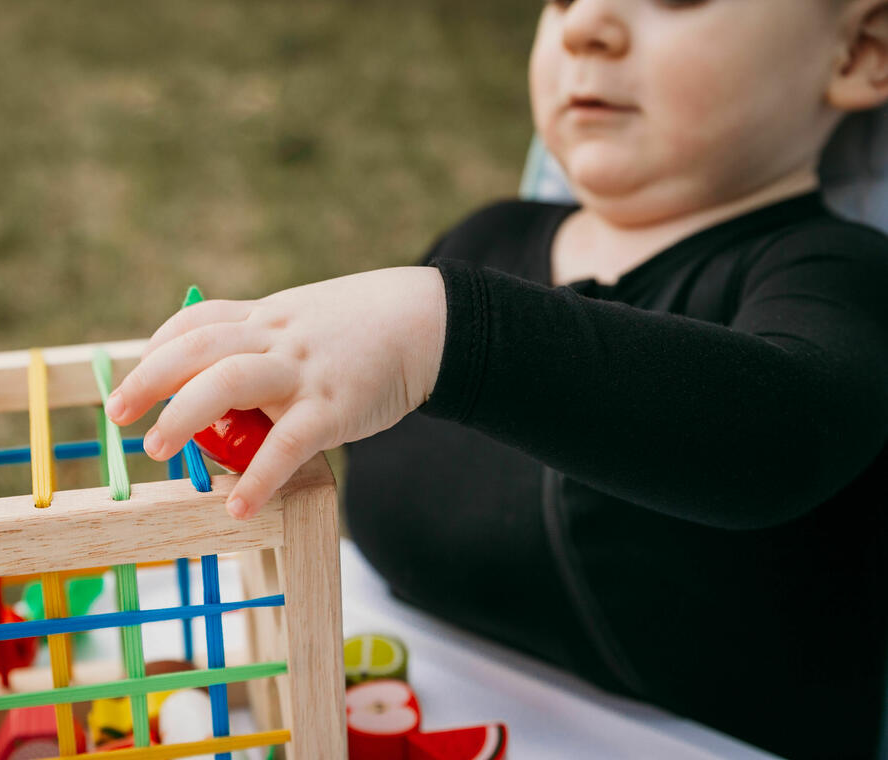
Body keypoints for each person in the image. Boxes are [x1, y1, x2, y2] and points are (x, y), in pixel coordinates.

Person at [104, 1, 888, 757]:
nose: (587, 24)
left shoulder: (841, 274)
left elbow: (786, 432)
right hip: (403, 696)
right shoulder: (488, 240)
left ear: (860, 52)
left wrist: (451, 333)